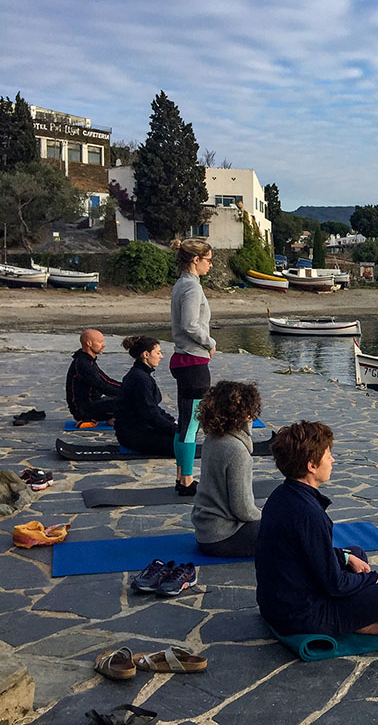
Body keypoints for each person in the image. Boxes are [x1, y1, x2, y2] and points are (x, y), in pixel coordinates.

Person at [255, 421, 378, 637]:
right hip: (300, 616)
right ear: (311, 465)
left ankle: (355, 613)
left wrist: (345, 558)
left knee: (355, 554)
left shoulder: (282, 494)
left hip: (275, 604)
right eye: (327, 454)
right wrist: (375, 580)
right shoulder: (308, 513)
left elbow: (305, 553)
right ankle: (359, 624)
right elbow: (335, 584)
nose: (332, 460)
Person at [191, 381, 263, 558]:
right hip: (223, 537)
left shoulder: (213, 439)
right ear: (245, 414)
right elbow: (242, 509)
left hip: (206, 531)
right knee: (289, 524)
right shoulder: (237, 451)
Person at [169, 238, 216, 496]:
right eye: (208, 260)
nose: (210, 265)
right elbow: (189, 324)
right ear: (195, 260)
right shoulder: (191, 287)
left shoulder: (183, 284)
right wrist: (209, 342)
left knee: (185, 423)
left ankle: (181, 476)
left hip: (186, 360)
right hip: (193, 362)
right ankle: (186, 481)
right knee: (190, 426)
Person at [115, 336, 176, 457]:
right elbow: (150, 414)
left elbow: (153, 407)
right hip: (133, 434)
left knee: (183, 440)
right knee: (181, 445)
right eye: (158, 353)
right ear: (146, 355)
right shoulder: (139, 379)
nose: (161, 356)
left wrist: (171, 421)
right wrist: (175, 430)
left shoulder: (142, 375)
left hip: (139, 429)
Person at [65, 329, 120, 423]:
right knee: (128, 401)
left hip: (93, 403)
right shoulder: (83, 364)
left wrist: (127, 387)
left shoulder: (87, 360)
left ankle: (114, 418)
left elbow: (106, 380)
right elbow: (102, 386)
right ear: (89, 343)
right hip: (83, 410)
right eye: (100, 342)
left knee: (123, 398)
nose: (103, 345)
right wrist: (128, 392)